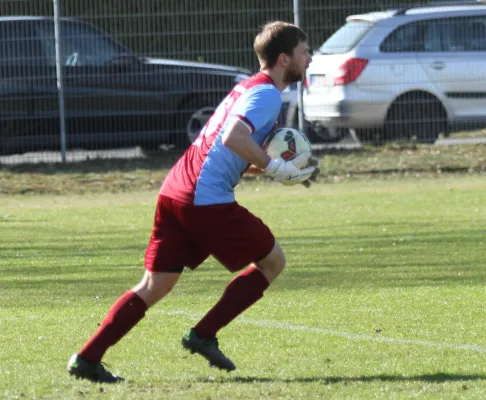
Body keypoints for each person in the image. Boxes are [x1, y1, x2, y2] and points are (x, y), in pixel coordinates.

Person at [67, 20, 318, 383]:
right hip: (204, 199)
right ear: (284, 59)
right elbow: (233, 137)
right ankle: (202, 335)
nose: (309, 58)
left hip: (176, 191)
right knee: (272, 261)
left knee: (156, 284)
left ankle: (86, 359)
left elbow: (223, 148)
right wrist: (276, 166)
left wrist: (271, 169)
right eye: (304, 51)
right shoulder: (267, 96)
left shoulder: (248, 87)